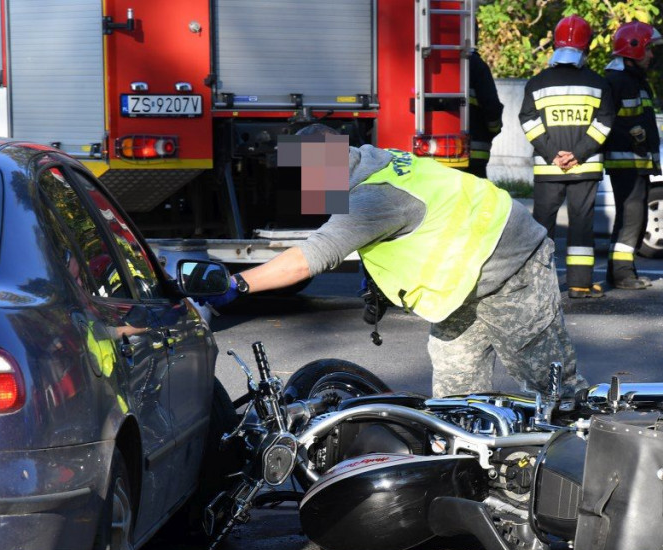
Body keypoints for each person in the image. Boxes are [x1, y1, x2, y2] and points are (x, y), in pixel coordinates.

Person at [203, 125, 588, 400]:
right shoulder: (370, 158)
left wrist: (237, 285)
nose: (301, 192)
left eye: (303, 180)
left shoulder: (371, 198)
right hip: (465, 281)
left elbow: (308, 259)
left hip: (512, 264)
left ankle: (578, 461)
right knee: (457, 390)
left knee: (548, 382)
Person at [519, 14, 616, 298]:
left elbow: (528, 120)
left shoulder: (537, 83)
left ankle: (538, 285)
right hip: (585, 167)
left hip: (549, 168)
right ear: (586, 47)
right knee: (581, 223)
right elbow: (605, 122)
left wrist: (553, 155)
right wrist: (579, 154)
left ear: (556, 45)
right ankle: (580, 283)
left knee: (543, 224)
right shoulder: (599, 84)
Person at [602, 20, 663, 290]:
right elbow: (605, 121)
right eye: (648, 49)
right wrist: (630, 134)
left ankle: (624, 271)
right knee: (630, 218)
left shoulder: (636, 82)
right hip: (624, 161)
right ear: (634, 49)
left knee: (635, 218)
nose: (651, 55)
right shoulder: (616, 81)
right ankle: (622, 275)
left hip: (638, 161)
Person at [466, 46, 504, 179]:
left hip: (429, 157)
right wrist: (494, 130)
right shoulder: (477, 66)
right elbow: (491, 106)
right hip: (473, 155)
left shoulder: (422, 60)